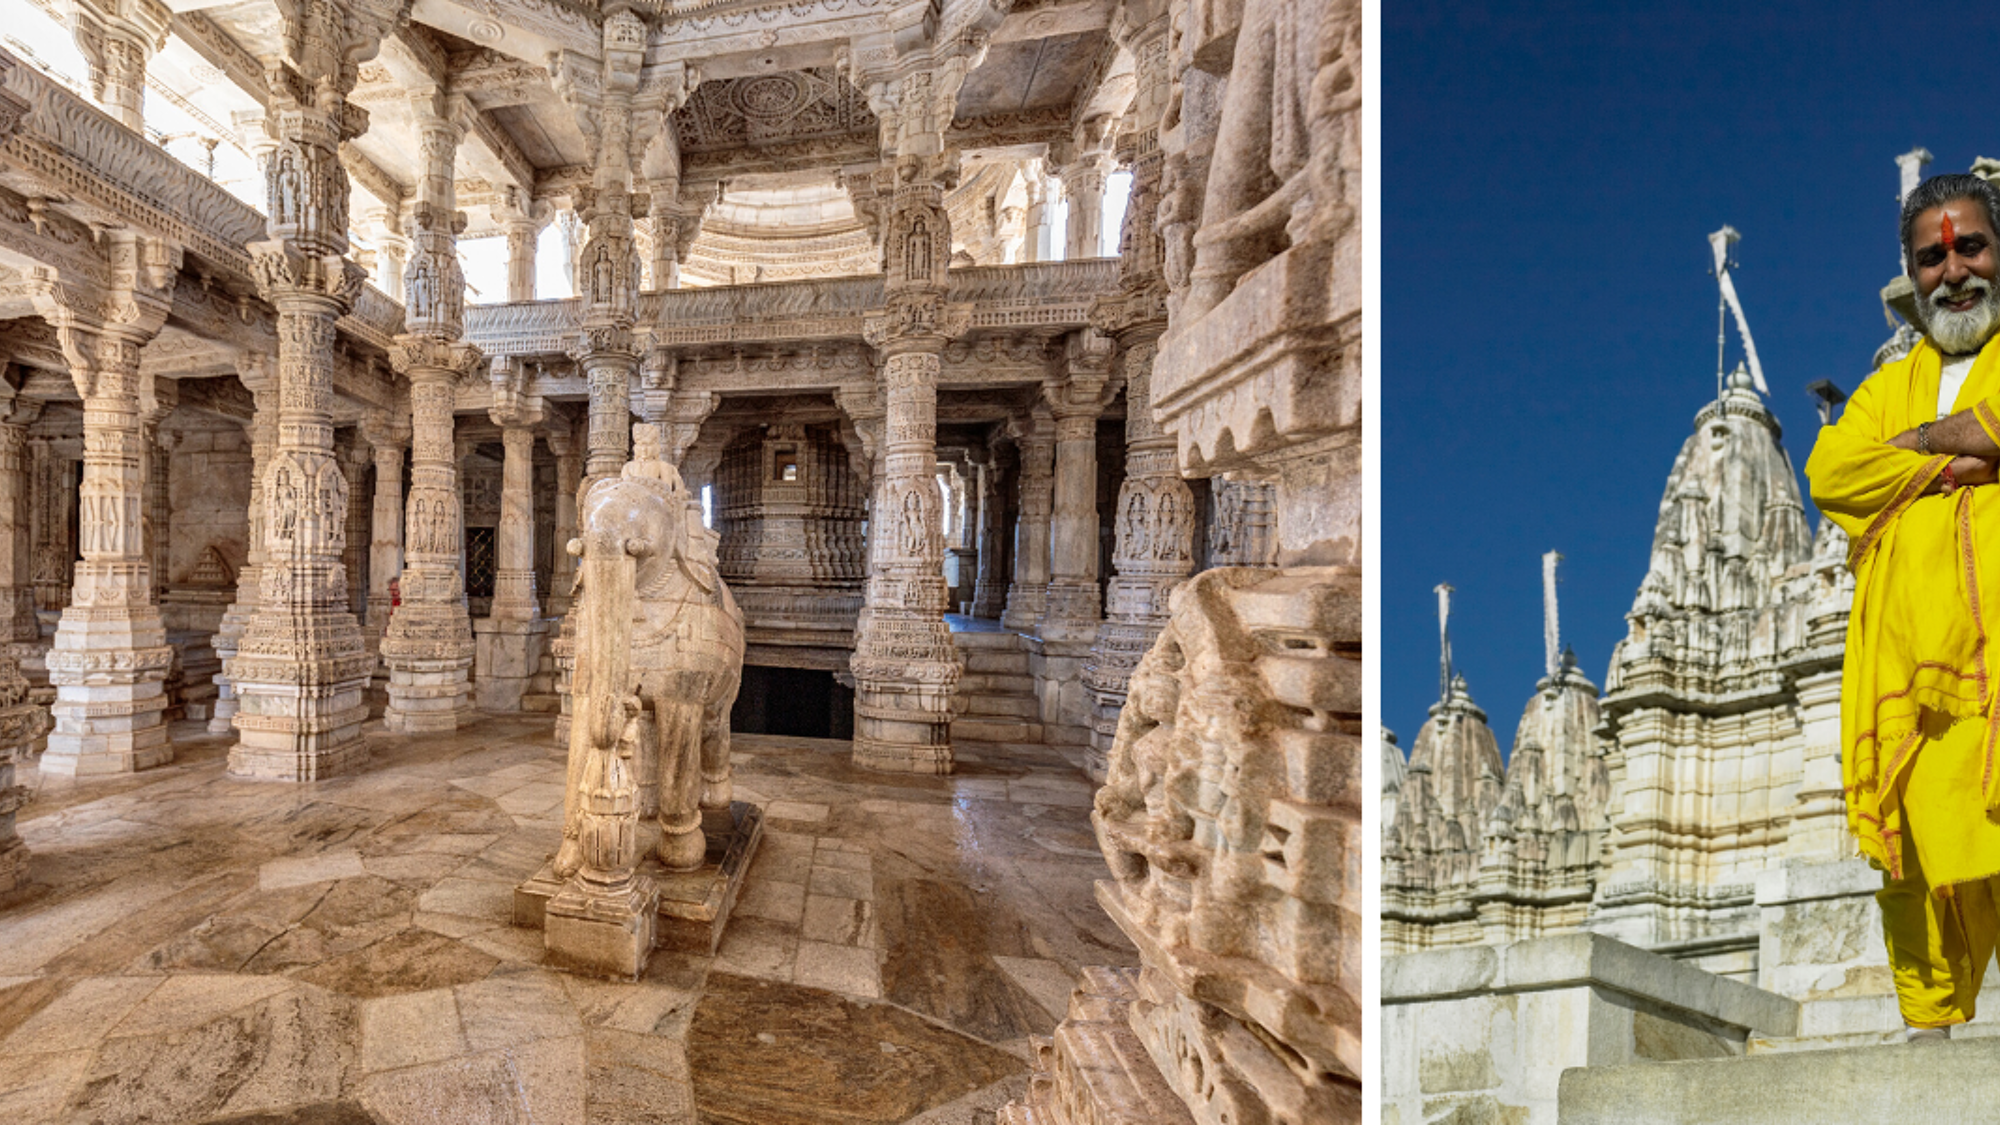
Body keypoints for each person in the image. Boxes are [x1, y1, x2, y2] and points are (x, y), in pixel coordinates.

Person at [1808, 172, 2000, 1041]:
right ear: (1911, 273)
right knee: (1919, 865)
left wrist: (1908, 461)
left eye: (1971, 246)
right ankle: (1932, 1044)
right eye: (1933, 256)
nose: (1953, 270)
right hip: (1910, 685)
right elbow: (1833, 473)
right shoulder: (1891, 386)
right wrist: (1957, 449)